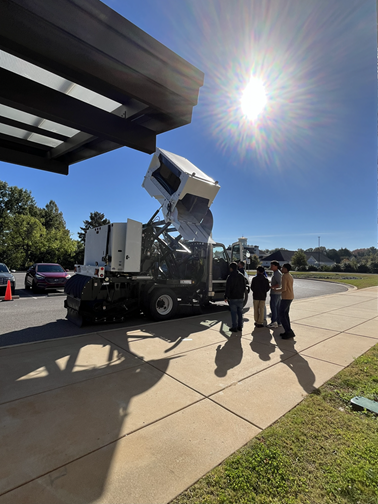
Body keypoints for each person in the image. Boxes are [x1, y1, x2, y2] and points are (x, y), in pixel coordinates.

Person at [272, 263, 295, 339]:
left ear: (285, 269)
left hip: (286, 297)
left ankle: (288, 331)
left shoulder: (284, 276)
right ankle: (288, 331)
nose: (281, 269)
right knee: (285, 314)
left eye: (282, 268)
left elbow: (284, 288)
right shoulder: (290, 275)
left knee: (281, 314)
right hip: (290, 296)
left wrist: (275, 290)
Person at [225, 262, 246, 332]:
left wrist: (226, 296)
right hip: (240, 297)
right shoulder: (241, 276)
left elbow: (228, 288)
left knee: (233, 313)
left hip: (233, 297)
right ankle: (240, 326)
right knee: (240, 313)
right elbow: (244, 287)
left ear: (231, 268)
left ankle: (234, 327)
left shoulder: (230, 277)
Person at [267, 261, 282, 328]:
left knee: (274, 308)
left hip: (275, 293)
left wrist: (271, 287)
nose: (271, 267)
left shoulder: (277, 273)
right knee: (277, 308)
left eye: (272, 266)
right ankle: (279, 322)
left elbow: (279, 284)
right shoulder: (276, 273)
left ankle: (274, 322)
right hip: (277, 293)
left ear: (276, 266)